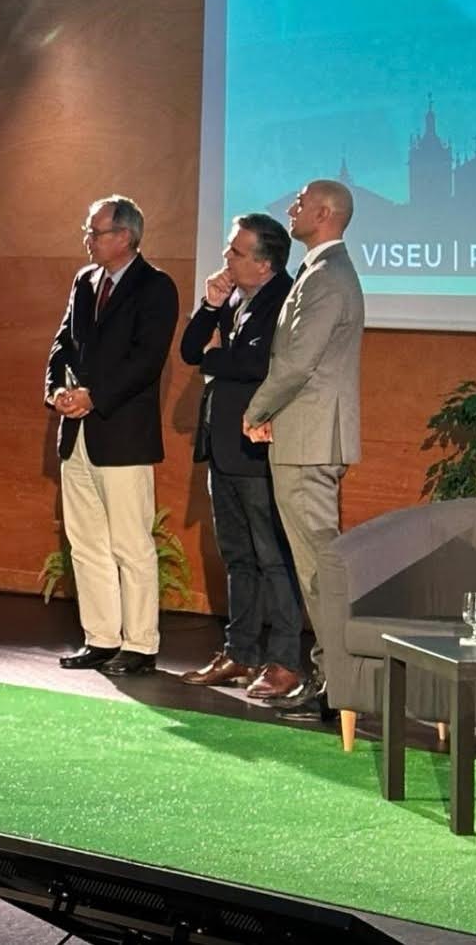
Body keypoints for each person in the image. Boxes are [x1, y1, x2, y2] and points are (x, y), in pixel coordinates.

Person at [45, 195, 179, 676]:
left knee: (130, 542)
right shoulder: (84, 281)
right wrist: (58, 392)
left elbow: (146, 361)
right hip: (76, 433)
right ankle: (101, 638)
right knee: (85, 543)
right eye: (89, 231)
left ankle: (140, 644)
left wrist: (94, 397)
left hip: (122, 435)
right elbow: (62, 343)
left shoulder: (156, 287)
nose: (88, 239)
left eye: (95, 232)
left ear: (125, 236)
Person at [243, 179, 364, 708]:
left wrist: (256, 411)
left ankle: (338, 686)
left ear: (324, 213)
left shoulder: (327, 276)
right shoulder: (320, 270)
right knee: (317, 568)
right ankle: (333, 682)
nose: (291, 206)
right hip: (304, 437)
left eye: (300, 201)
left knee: (319, 572)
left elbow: (296, 363)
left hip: (310, 442)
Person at [179, 214, 303, 700]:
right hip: (222, 446)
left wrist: (215, 358)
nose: (225, 258)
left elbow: (257, 364)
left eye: (235, 251)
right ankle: (240, 652)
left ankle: (285, 659)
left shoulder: (284, 298)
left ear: (264, 263)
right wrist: (211, 305)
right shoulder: (232, 297)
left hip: (256, 448)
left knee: (272, 557)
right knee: (237, 556)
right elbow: (190, 349)